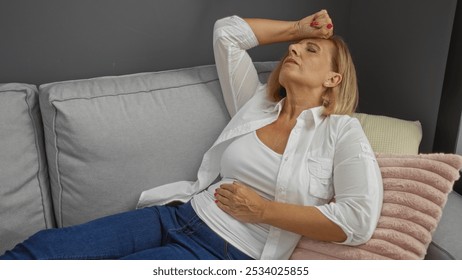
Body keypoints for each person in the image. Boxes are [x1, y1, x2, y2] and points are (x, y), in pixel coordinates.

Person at [0, 9, 383, 260]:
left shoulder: (342, 132)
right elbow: (227, 35)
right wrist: (298, 28)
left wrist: (264, 211)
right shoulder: (255, 104)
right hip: (178, 215)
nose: (294, 50)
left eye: (309, 49)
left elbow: (356, 220)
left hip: (225, 253)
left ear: (334, 79)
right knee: (41, 250)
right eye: (293, 47)